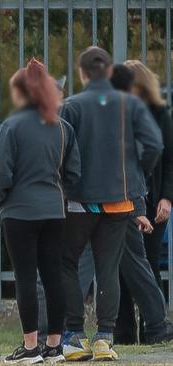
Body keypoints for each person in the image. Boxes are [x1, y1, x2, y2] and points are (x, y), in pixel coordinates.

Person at [59, 46, 163, 361]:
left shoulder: (71, 106)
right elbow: (154, 145)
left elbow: (59, 146)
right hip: (119, 202)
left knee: (68, 262)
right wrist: (135, 176)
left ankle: (75, 334)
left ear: (82, 72)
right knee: (109, 267)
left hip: (80, 201)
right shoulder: (130, 105)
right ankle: (106, 336)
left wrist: (68, 181)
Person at [0, 58, 81, 364]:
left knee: (26, 277)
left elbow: (2, 172)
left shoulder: (11, 126)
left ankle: (31, 346)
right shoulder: (63, 127)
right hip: (54, 211)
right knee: (53, 276)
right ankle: (54, 346)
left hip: (19, 211)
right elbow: (73, 172)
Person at [112, 61, 173, 345]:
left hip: (153, 199)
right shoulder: (117, 113)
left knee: (146, 264)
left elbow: (169, 160)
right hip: (124, 198)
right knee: (121, 265)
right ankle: (124, 331)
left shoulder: (160, 115)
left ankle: (153, 328)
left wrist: (167, 197)